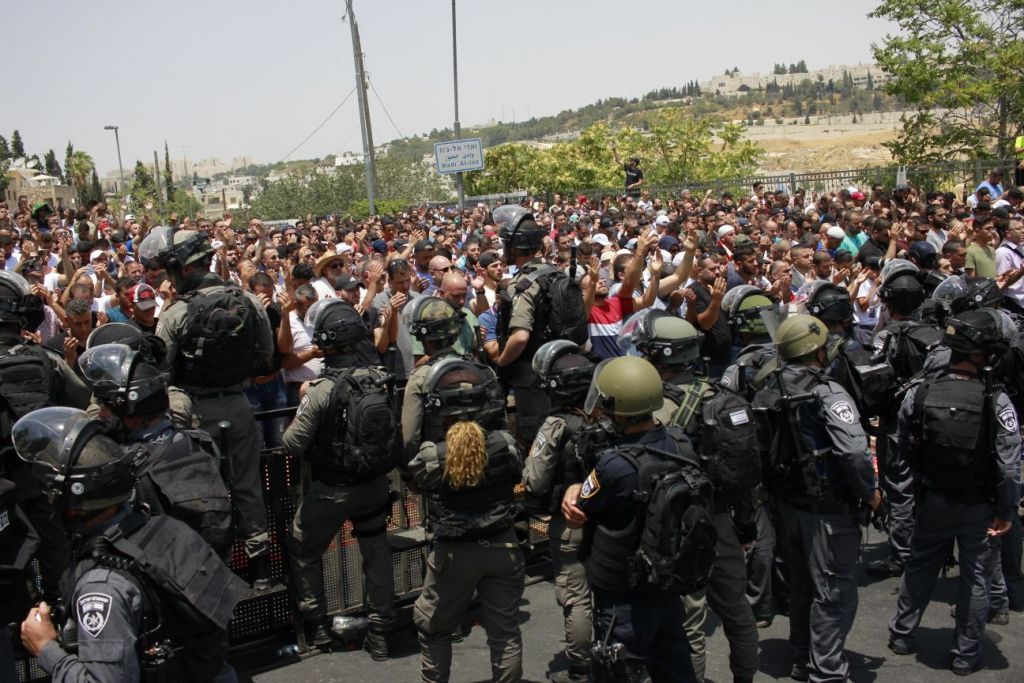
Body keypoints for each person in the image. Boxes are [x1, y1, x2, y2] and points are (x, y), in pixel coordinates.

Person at [15, 407, 246, 682]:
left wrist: (46, 649)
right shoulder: (167, 528)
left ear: (74, 503)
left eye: (52, 493)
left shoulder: (102, 586)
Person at [620, 309, 760, 683]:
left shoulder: (654, 408)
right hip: (721, 520)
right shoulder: (722, 398)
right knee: (737, 612)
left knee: (688, 621)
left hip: (675, 526)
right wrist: (744, 527)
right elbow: (744, 474)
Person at [139, 226, 276, 588]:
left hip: (195, 413)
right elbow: (266, 358)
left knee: (203, 492)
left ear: (184, 269)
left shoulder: (175, 313)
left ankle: (213, 568)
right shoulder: (247, 301)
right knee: (248, 485)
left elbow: (158, 371)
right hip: (238, 405)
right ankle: (260, 565)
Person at [888, 309, 1021, 676]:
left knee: (919, 566)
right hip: (979, 506)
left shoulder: (920, 391)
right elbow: (1010, 465)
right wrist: (1007, 510)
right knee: (975, 578)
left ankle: (901, 634)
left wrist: (914, 491)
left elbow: (900, 446)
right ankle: (965, 655)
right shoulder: (997, 400)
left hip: (931, 499)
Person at [562, 356, 711, 682]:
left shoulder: (614, 465)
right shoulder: (680, 443)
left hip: (623, 595)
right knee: (675, 668)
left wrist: (574, 486)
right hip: (666, 584)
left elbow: (579, 513)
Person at [752, 314, 880, 682]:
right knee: (834, 593)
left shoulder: (767, 388)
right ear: (819, 351)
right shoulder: (828, 392)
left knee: (802, 587)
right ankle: (827, 672)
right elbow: (854, 453)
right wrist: (870, 492)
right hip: (827, 509)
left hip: (786, 506)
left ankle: (801, 658)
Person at [281, 298, 397, 655]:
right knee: (376, 550)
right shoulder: (381, 380)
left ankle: (316, 627)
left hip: (334, 489)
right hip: (376, 483)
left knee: (302, 545)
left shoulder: (321, 390)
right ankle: (381, 629)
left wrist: (304, 403)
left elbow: (292, 444)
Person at [406, 358, 524, 682]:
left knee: (433, 627)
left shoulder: (432, 455)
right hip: (504, 544)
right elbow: (518, 470)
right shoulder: (505, 444)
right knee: (505, 635)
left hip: (454, 553)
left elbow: (415, 477)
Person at [77, 342, 233, 559]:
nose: (102, 414)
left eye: (107, 407)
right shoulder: (199, 442)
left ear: (133, 415)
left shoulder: (127, 465)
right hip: (207, 569)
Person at [0, 271, 90, 608]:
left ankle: (24, 618)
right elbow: (80, 401)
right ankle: (65, 614)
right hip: (40, 475)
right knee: (55, 546)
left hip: (7, 484)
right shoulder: (43, 358)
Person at [522, 340, 595, 683]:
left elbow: (534, 481)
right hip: (611, 520)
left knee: (576, 596)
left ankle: (580, 668)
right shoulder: (612, 412)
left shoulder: (556, 424)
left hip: (570, 522)